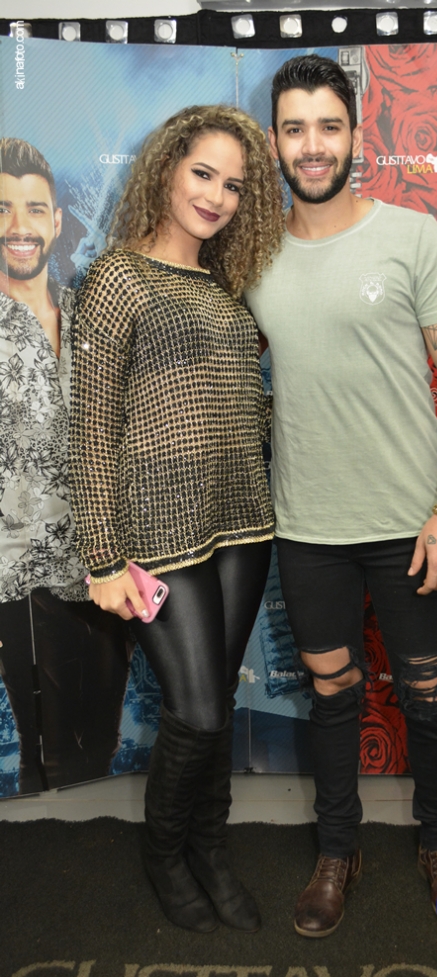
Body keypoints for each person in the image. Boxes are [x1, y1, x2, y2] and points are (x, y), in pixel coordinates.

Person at [244, 55, 437, 937]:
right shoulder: (252, 254)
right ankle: (337, 851)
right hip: (307, 526)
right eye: (295, 128)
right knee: (333, 695)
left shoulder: (414, 238)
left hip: (412, 523)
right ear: (274, 140)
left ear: (356, 134)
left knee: (427, 697)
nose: (312, 146)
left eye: (328, 126)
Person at [68, 105, 284, 933]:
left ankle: (211, 848)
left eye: (235, 185)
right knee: (194, 710)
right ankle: (164, 854)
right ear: (165, 169)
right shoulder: (117, 278)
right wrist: (102, 556)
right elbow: (91, 427)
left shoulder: (229, 287)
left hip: (243, 523)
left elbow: (240, 402)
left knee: (216, 702)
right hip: (158, 535)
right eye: (203, 174)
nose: (217, 196)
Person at [0, 138, 130, 796]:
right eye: (2, 208)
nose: (17, 225)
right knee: (39, 759)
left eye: (32, 209)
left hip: (100, 563)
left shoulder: (88, 317)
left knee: (98, 746)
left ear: (55, 221)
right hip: (15, 577)